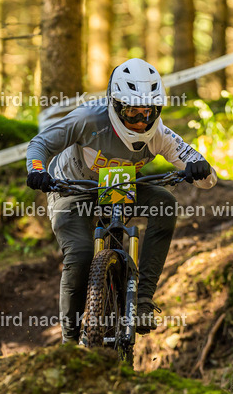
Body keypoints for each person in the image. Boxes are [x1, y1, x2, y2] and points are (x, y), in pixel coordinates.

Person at [25, 58, 218, 344]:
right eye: (132, 113)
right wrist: (37, 170)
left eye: (148, 113)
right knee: (78, 253)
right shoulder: (87, 119)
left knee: (164, 202)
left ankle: (142, 302)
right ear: (115, 106)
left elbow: (207, 179)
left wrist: (200, 168)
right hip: (71, 188)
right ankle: (68, 341)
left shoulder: (160, 135)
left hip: (119, 187)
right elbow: (40, 144)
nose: (141, 122)